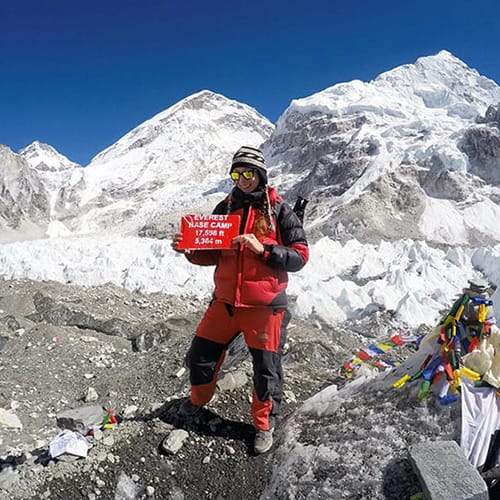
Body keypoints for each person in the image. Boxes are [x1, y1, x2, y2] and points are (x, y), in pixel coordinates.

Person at [171, 146, 309, 454]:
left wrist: (264, 250)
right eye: (237, 173)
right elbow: (212, 253)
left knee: (266, 370)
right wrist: (189, 251)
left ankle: (263, 425)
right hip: (225, 302)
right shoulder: (225, 207)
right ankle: (198, 400)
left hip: (265, 307)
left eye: (248, 173)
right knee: (200, 356)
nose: (242, 179)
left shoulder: (279, 209)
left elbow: (300, 255)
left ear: (260, 174)